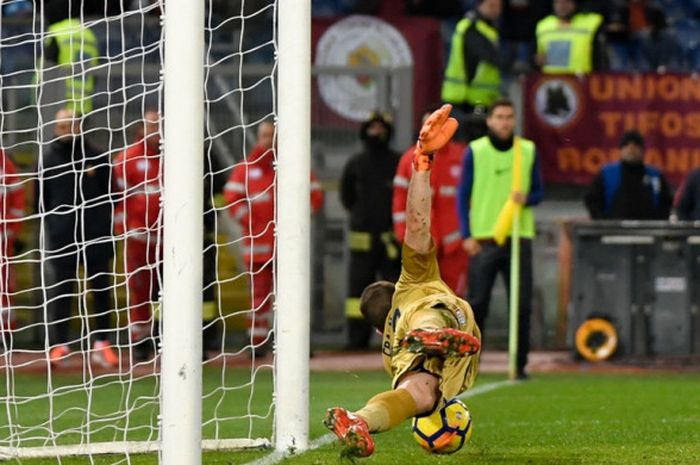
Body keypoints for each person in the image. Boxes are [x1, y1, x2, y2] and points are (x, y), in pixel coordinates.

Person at [324, 104, 481, 458]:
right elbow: (418, 224)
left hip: (412, 348)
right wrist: (422, 162)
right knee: (428, 311)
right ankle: (432, 334)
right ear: (393, 287)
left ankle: (359, 419)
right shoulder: (410, 281)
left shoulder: (390, 351)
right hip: (434, 312)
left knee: (419, 397)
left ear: (380, 331)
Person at [456, 98, 543, 380]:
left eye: (509, 116)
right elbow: (462, 194)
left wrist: (526, 199)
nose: (505, 122)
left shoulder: (527, 151)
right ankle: (470, 363)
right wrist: (466, 234)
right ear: (490, 121)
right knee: (478, 302)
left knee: (521, 303)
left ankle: (519, 364)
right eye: (500, 116)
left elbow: (540, 192)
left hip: (519, 237)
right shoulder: (476, 151)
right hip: (484, 238)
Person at [223, 120, 324, 356]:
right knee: (259, 299)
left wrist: (298, 222)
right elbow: (232, 199)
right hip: (257, 247)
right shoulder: (246, 168)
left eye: (272, 136)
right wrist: (251, 222)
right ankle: (257, 344)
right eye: (265, 135)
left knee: (292, 295)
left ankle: (295, 344)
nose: (268, 140)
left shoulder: (294, 166)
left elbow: (315, 195)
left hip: (289, 247)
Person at [41, 108, 118, 367]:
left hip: (96, 233)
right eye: (60, 126)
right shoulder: (48, 161)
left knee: (101, 289)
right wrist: (55, 225)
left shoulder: (98, 157)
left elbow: (113, 195)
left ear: (80, 127)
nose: (64, 131)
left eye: (70, 126)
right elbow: (40, 202)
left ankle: (102, 344)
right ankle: (60, 345)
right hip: (63, 236)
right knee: (62, 290)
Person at [340, 112, 401, 350]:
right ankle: (357, 341)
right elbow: (346, 196)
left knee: (394, 291)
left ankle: (397, 339)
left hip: (390, 241)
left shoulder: (396, 161)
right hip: (361, 242)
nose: (376, 132)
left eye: (380, 128)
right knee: (358, 294)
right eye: (372, 128)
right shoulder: (356, 163)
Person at [393, 109, 468, 295]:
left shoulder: (462, 157)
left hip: (455, 247)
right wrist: (405, 238)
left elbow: (474, 199)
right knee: (422, 299)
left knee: (454, 301)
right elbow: (399, 203)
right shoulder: (408, 160)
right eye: (427, 125)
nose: (430, 130)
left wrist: (468, 235)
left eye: (436, 125)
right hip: (422, 246)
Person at [113, 110, 162, 361]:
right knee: (140, 289)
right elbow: (116, 200)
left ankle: (164, 336)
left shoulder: (175, 157)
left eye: (160, 126)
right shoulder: (127, 158)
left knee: (168, 291)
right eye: (152, 126)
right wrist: (124, 230)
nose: (156, 131)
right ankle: (140, 340)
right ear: (142, 128)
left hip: (169, 240)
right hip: (138, 238)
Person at [441, 0, 506, 142]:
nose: (496, 10)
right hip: (464, 99)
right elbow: (489, 56)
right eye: (491, 6)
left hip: (476, 98)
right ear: (479, 5)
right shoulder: (472, 27)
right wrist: (509, 63)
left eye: (498, 7)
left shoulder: (485, 28)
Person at [584, 130, 672, 220]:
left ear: (643, 150)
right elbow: (592, 200)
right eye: (626, 145)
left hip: (648, 230)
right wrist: (602, 222)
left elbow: (666, 202)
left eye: (636, 145)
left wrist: (657, 225)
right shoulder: (607, 174)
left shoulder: (655, 175)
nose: (631, 149)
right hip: (612, 231)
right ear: (621, 150)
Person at [42, 2, 99, 114]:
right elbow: (96, 72)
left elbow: (48, 69)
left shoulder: (57, 31)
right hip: (84, 103)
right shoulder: (90, 34)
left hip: (60, 102)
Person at [535, 0, 607, 74]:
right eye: (557, 2)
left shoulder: (592, 22)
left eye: (566, 2)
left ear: (575, 3)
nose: (562, 6)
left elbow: (601, 57)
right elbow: (537, 56)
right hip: (551, 80)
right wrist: (535, 61)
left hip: (583, 79)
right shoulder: (543, 26)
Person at [0, 150, 24, 341]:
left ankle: (5, 333)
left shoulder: (5, 165)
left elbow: (18, 200)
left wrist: (10, 230)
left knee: (4, 284)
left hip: (2, 238)